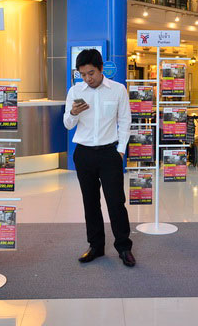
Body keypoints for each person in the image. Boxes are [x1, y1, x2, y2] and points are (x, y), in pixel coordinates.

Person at [63, 49, 135, 267]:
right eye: (83, 74)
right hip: (83, 153)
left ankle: (124, 247)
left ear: (101, 68)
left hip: (109, 153)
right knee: (90, 202)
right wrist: (73, 113)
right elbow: (67, 124)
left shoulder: (118, 90)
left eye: (91, 73)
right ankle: (96, 246)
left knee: (116, 202)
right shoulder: (75, 91)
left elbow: (125, 121)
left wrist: (120, 151)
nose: (87, 78)